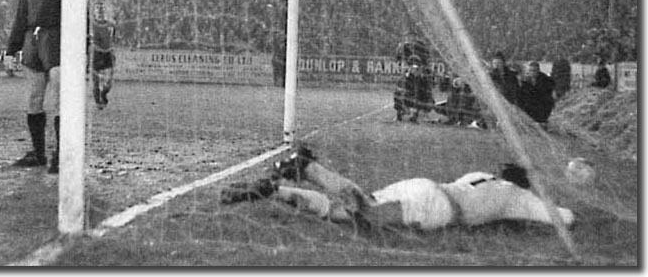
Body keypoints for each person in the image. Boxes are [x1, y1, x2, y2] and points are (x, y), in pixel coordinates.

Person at [221, 146, 575, 231]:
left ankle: (274, 190)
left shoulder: (483, 174)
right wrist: (543, 197)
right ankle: (309, 167)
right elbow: (565, 218)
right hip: (440, 208)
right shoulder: (520, 198)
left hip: (428, 187)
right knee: (366, 212)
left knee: (347, 215)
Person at [4, 0, 62, 174]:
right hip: (32, 40)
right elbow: (20, 17)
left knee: (61, 97)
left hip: (56, 39)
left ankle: (61, 154)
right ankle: (39, 154)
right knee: (34, 98)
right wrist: (11, 50)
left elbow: (82, 12)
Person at [393, 40, 435, 122]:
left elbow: (428, 92)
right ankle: (403, 112)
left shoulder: (425, 78)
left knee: (424, 92)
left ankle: (422, 113)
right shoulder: (404, 78)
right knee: (400, 91)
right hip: (409, 97)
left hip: (419, 97)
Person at [90, 1, 116, 109]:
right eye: (97, 8)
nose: (100, 10)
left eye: (102, 8)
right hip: (96, 54)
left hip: (107, 54)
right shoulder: (92, 25)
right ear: (94, 11)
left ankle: (103, 94)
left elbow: (112, 39)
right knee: (95, 82)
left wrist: (112, 51)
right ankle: (97, 101)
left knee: (108, 81)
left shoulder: (111, 25)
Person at [518, 61, 556, 129]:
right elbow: (522, 94)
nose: (532, 72)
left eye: (534, 70)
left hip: (542, 106)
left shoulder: (545, 80)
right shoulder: (525, 81)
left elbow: (548, 95)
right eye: (530, 70)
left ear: (538, 71)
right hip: (529, 107)